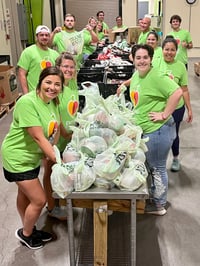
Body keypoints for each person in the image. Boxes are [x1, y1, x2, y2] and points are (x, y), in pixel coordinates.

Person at [1, 66, 64, 249]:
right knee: (39, 200)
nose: (52, 87)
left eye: (57, 84)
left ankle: (28, 225)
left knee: (24, 194)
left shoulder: (53, 101)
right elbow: (38, 136)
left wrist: (53, 149)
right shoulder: (27, 102)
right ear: (40, 82)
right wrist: (58, 161)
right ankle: (26, 233)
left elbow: (55, 128)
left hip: (31, 156)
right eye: (48, 82)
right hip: (17, 157)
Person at [117, 44, 183, 215]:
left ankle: (159, 205)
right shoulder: (139, 74)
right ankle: (154, 197)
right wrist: (124, 84)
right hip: (148, 130)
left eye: (145, 57)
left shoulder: (156, 76)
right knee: (151, 166)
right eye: (138, 58)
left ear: (151, 58)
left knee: (157, 168)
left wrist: (164, 114)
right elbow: (136, 79)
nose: (142, 61)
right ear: (132, 59)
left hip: (158, 130)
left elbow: (177, 92)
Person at [43, 53, 79, 219]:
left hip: (69, 137)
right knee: (50, 170)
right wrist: (65, 133)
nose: (68, 70)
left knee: (62, 172)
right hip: (55, 137)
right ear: (58, 68)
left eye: (71, 67)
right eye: (65, 66)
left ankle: (62, 200)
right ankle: (51, 206)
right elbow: (55, 115)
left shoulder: (72, 84)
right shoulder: (56, 87)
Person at [159, 36, 193, 171]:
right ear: (162, 50)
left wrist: (189, 109)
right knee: (159, 136)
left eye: (172, 50)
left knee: (174, 134)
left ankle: (175, 158)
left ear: (176, 51)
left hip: (177, 108)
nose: (169, 52)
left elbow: (184, 90)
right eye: (166, 49)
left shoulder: (180, 67)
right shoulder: (156, 64)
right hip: (159, 107)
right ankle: (159, 162)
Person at [17, 25, 59, 94]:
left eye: (46, 35)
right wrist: (26, 94)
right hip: (34, 94)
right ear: (37, 37)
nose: (44, 37)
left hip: (50, 94)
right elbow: (22, 74)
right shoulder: (28, 52)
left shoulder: (55, 54)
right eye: (41, 35)